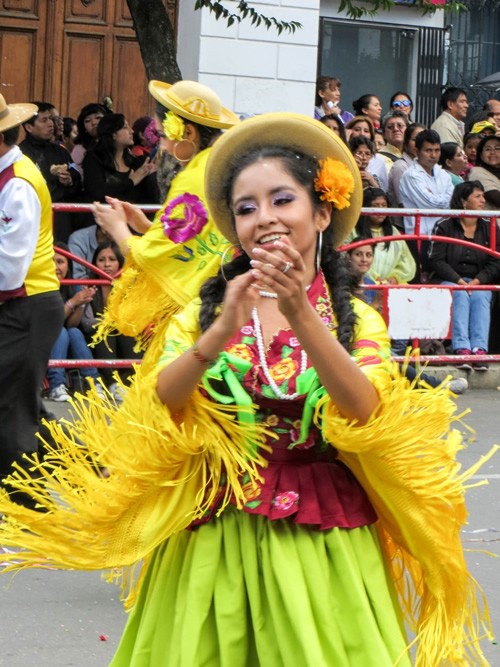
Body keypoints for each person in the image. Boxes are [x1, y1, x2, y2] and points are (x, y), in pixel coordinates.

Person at [0, 112, 491, 665]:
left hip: (321, 542)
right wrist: (220, 333)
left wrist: (302, 315)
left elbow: (364, 408)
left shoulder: (354, 318)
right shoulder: (204, 312)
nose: (266, 219)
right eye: (246, 208)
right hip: (211, 538)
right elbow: (164, 398)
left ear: (322, 211)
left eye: (283, 200)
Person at [89, 79, 240, 366]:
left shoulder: (195, 176)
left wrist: (118, 228)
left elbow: (150, 256)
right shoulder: (215, 164)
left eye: (162, 134)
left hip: (197, 311)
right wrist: (146, 226)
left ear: (188, 132)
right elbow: (196, 233)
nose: (162, 144)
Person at [0, 93, 64, 506]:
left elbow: (8, 269)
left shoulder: (18, 183)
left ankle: (28, 511)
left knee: (12, 410)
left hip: (27, 304)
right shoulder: (10, 175)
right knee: (16, 402)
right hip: (23, 304)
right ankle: (92, 461)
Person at [346, 237, 468, 395]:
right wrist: (377, 302)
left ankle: (437, 386)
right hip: (353, 347)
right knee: (394, 361)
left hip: (376, 345)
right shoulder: (343, 284)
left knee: (399, 358)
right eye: (358, 254)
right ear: (349, 257)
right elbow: (357, 324)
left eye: (369, 255)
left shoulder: (373, 282)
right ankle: (439, 386)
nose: (364, 259)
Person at [428, 181, 500, 371]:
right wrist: (460, 282)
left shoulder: (490, 226)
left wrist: (476, 282)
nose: (483, 200)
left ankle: (479, 350)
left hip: (478, 280)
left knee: (481, 294)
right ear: (463, 200)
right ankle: (461, 349)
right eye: (477, 196)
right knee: (459, 293)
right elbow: (436, 260)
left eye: (483, 196)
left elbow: (496, 261)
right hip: (450, 279)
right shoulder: (444, 225)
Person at [79, 241, 143, 402]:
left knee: (126, 330)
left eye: (112, 259)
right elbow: (86, 323)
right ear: (94, 263)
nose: (107, 264)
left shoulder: (128, 284)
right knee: (105, 328)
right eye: (101, 260)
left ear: (120, 262)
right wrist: (109, 321)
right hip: (95, 338)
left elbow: (134, 318)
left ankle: (129, 381)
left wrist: (116, 321)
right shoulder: (89, 285)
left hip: (122, 335)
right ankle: (113, 383)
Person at [47, 242, 104, 402]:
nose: (56, 267)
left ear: (68, 265)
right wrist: (72, 302)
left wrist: (82, 302)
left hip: (66, 343)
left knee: (73, 332)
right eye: (52, 261)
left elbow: (72, 323)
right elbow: (51, 323)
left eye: (61, 262)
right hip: (43, 341)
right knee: (61, 331)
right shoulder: (40, 285)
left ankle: (93, 384)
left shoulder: (73, 285)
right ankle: (56, 385)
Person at [19, 101, 83, 242]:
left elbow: (76, 174)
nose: (51, 124)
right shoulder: (20, 154)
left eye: (51, 119)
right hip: (34, 218)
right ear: (29, 127)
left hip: (60, 218)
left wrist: (70, 180)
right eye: (44, 120)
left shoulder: (60, 151)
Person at [399, 129, 454, 277]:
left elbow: (453, 201)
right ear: (417, 151)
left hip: (442, 234)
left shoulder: (444, 174)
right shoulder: (410, 175)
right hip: (420, 236)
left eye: (437, 150)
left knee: (440, 280)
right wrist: (444, 199)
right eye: (428, 150)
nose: (434, 155)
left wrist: (439, 199)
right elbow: (429, 204)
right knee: (421, 279)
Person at [82, 112, 158, 205]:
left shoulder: (137, 162)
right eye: (125, 127)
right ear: (113, 134)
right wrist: (131, 181)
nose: (132, 131)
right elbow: (98, 191)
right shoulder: (93, 159)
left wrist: (152, 176)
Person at [349, 187, 416, 284]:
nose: (381, 210)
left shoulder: (393, 231)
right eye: (375, 206)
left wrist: (395, 277)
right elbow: (346, 259)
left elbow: (406, 261)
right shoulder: (353, 231)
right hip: (361, 282)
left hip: (390, 284)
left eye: (384, 205)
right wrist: (375, 278)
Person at [71, 102, 108, 175]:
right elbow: (74, 174)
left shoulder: (117, 142)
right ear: (84, 128)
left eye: (98, 118)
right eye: (87, 121)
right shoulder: (79, 149)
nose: (93, 123)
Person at [468, 135, 500, 210]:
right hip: (491, 221)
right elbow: (497, 199)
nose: (492, 152)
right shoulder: (477, 173)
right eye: (488, 149)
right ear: (481, 155)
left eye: (497, 148)